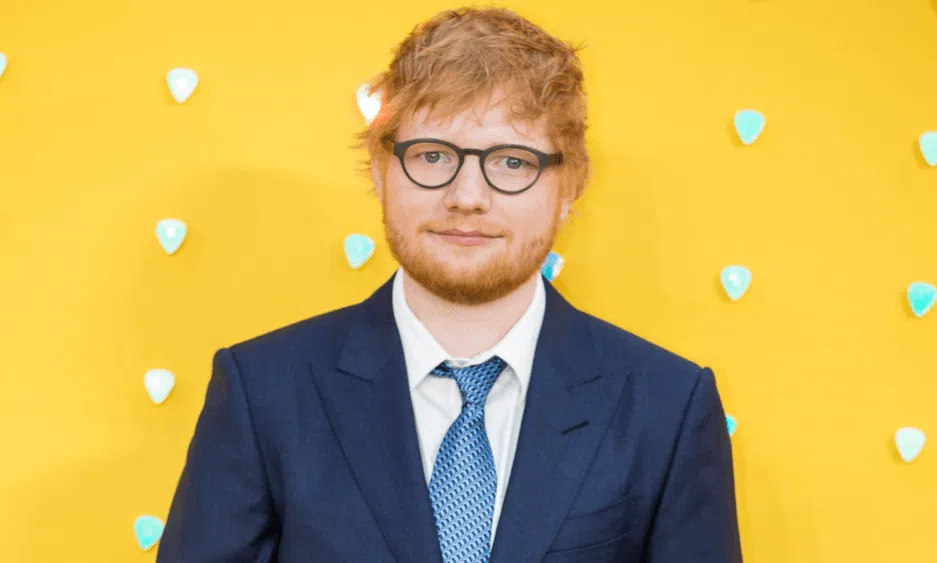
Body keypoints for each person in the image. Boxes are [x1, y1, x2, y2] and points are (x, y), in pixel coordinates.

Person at [157, 6, 742, 562]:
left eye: (512, 162)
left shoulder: (670, 405)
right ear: (380, 171)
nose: (467, 197)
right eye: (433, 156)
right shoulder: (262, 391)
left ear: (571, 187)